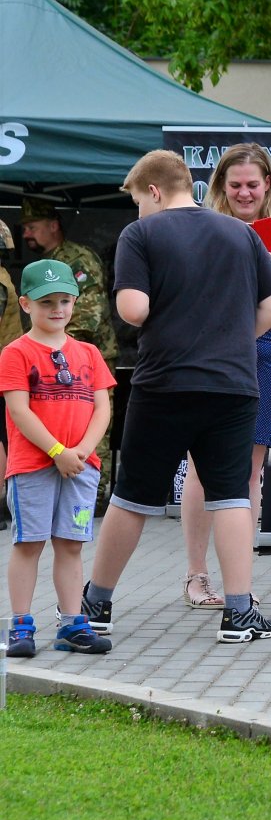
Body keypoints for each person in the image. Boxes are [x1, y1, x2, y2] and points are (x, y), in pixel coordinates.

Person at [79, 151, 271, 643]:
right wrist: (232, 339)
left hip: (164, 384)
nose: (136, 212)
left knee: (131, 497)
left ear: (153, 191)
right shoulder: (240, 233)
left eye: (135, 201)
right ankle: (239, 613)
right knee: (233, 495)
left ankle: (97, 603)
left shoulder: (141, 235)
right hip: (233, 387)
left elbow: (133, 309)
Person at [178, 143, 271, 608]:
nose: (245, 193)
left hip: (266, 358)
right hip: (209, 355)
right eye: (235, 185)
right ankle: (196, 576)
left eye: (253, 184)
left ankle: (240, 579)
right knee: (200, 466)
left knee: (250, 472)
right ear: (220, 187)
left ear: (268, 183)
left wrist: (267, 264)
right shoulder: (201, 228)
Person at [3, 259, 115, 658]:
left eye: (65, 300)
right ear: (26, 304)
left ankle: (72, 625)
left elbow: (102, 408)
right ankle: (20, 625)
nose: (57, 309)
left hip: (81, 468)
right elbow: (20, 412)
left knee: (70, 546)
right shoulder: (15, 353)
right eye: (46, 300)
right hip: (34, 467)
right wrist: (57, 452)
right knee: (29, 544)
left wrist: (81, 451)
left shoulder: (88, 352)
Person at [19, 197, 118, 502]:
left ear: (53, 226)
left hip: (85, 357)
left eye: (32, 227)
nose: (25, 234)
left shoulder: (78, 259)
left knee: (90, 418)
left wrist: (50, 346)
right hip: (49, 357)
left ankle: (96, 490)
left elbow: (90, 312)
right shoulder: (43, 267)